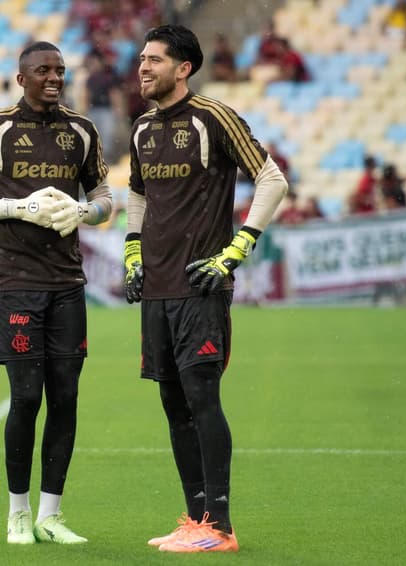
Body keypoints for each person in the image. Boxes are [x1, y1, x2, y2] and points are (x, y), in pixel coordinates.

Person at [123, 24, 287, 553]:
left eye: (154, 59)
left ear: (183, 68)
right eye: (142, 59)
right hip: (157, 290)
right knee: (174, 404)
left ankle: (220, 526)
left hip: (200, 286)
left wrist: (235, 251)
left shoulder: (213, 118)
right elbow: (138, 195)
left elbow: (273, 179)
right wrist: (132, 253)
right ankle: (195, 522)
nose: (143, 67)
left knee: (202, 399)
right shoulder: (143, 127)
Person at [0, 41, 112, 545]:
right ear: (22, 79)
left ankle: (50, 515)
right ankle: (17, 513)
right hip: (14, 283)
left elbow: (105, 198)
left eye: (60, 70)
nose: (55, 77)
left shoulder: (81, 131)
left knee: (66, 397)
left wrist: (85, 213)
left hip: (67, 283)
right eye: (44, 70)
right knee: (26, 396)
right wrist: (12, 209)